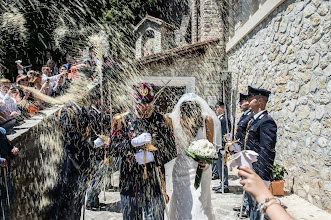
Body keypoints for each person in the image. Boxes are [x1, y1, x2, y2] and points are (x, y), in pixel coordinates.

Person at [109, 83, 177, 220]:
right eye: (139, 103)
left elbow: (172, 150)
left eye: (148, 103)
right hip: (129, 183)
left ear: (153, 101)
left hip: (154, 184)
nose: (144, 107)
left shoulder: (162, 120)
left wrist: (155, 156)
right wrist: (131, 144)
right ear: (134, 101)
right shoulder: (123, 120)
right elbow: (113, 149)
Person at [166, 93, 222, 220]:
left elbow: (210, 147)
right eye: (184, 115)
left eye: (191, 115)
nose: (187, 119)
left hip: (201, 170)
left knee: (199, 203)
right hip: (180, 170)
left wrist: (206, 160)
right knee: (183, 204)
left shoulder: (207, 120)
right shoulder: (174, 122)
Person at [55, 96, 104, 220]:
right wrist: (93, 144)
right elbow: (71, 139)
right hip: (72, 165)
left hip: (83, 164)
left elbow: (89, 131)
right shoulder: (67, 112)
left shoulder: (81, 110)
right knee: (69, 203)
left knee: (78, 203)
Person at [245, 86, 277, 220]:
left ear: (259, 101)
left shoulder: (266, 121)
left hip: (259, 172)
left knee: (260, 211)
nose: (248, 102)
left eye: (251, 99)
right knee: (254, 208)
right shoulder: (255, 120)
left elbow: (267, 150)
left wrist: (261, 177)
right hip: (252, 170)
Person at [233, 93, 254, 218]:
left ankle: (247, 206)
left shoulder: (251, 117)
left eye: (242, 102)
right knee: (243, 180)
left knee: (247, 180)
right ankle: (245, 204)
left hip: (246, 152)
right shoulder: (244, 116)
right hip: (241, 151)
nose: (240, 104)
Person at [0, 127, 20, 219]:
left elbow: (8, 147)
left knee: (7, 201)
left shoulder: (2, 131)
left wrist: (13, 150)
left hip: (4, 173)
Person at [212, 99, 231, 193]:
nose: (216, 110)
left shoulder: (224, 119)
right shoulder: (218, 118)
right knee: (219, 166)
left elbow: (225, 134)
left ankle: (225, 185)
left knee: (222, 166)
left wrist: (223, 146)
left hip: (222, 146)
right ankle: (221, 184)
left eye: (217, 108)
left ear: (222, 108)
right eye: (215, 108)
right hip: (217, 146)